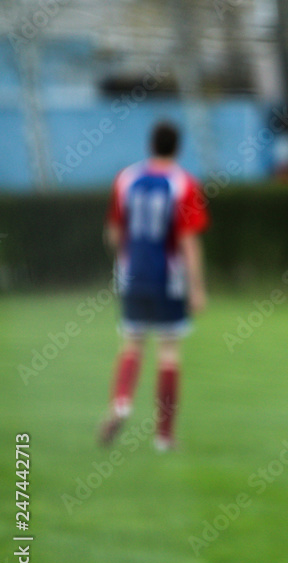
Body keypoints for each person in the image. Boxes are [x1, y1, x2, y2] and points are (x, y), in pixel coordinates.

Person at [97, 121, 209, 451]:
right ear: (177, 146)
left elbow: (114, 233)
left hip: (132, 275)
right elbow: (188, 241)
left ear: (150, 144)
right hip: (168, 280)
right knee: (169, 353)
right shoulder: (183, 183)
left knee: (131, 343)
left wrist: (123, 261)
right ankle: (163, 435)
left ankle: (121, 401)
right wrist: (198, 286)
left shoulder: (126, 179)